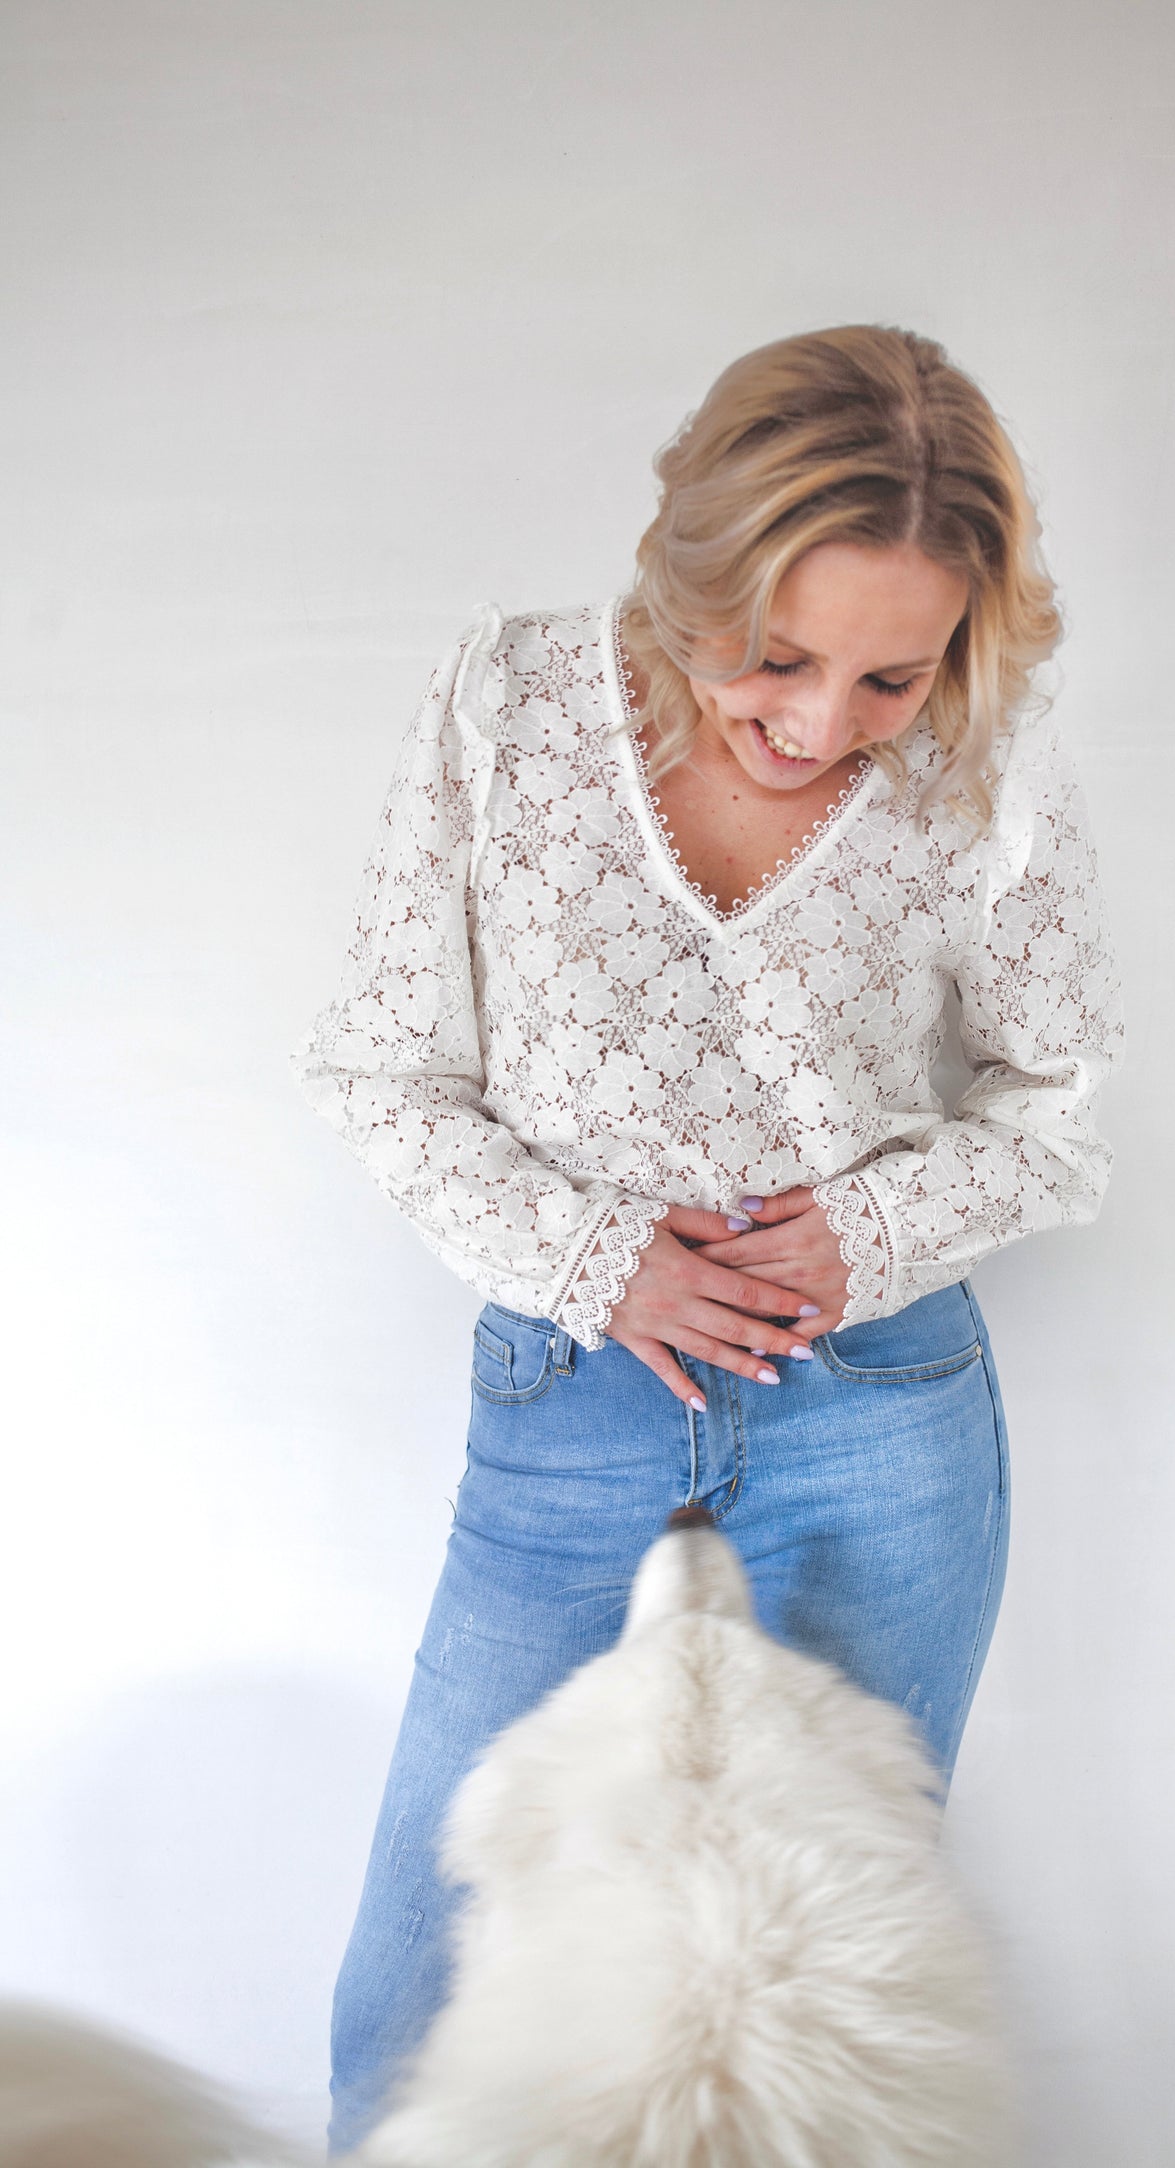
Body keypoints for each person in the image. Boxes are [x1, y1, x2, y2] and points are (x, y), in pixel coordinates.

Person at [292, 323, 1125, 2152]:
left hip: (882, 1414)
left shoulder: (988, 757)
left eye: (891, 677)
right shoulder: (503, 708)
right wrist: (601, 1262)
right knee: (411, 2014)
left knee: (804, 2023)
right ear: (688, 574)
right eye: (773, 657)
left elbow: (1056, 1100)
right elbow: (379, 1072)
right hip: (567, 1407)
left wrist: (869, 1230)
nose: (824, 723)